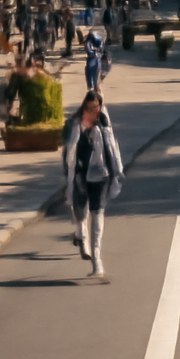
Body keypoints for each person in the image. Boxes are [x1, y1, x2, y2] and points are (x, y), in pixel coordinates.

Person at [63, 90, 124, 278]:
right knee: (81, 210)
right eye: (90, 108)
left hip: (101, 176)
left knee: (97, 216)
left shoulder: (104, 122)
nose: (94, 111)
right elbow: (70, 154)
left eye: (96, 107)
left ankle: (97, 260)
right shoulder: (77, 126)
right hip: (82, 176)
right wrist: (69, 180)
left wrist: (117, 172)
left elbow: (112, 148)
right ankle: (81, 236)